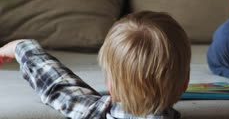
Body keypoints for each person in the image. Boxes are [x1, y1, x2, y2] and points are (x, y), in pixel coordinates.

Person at [0, 11, 191, 119]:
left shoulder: (93, 112)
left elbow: (58, 85)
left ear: (110, 85)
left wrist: (22, 48)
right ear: (184, 83)